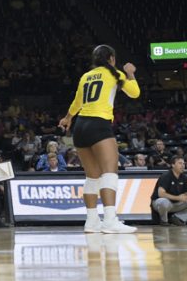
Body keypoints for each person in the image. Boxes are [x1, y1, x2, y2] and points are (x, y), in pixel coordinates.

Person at [59, 44, 140, 234]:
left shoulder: (86, 76)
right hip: (99, 125)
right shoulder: (114, 73)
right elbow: (135, 93)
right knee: (109, 173)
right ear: (111, 58)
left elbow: (78, 101)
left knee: (92, 177)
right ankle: (110, 220)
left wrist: (68, 118)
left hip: (80, 127)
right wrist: (130, 73)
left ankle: (92, 222)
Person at [150, 156, 187, 225]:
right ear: (173, 165)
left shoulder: (183, 177)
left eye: (183, 164)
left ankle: (177, 218)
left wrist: (186, 196)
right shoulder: (166, 176)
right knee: (163, 202)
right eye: (180, 163)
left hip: (176, 204)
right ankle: (164, 220)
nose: (183, 165)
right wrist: (178, 197)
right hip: (160, 204)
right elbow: (161, 194)